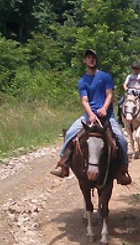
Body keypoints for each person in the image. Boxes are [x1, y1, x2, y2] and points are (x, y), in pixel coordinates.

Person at [50, 49, 131, 185]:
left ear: (96, 60)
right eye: (88, 57)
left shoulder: (105, 77)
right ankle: (63, 165)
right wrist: (91, 114)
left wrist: (104, 109)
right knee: (70, 133)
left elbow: (109, 94)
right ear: (84, 61)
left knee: (122, 140)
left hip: (107, 116)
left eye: (93, 57)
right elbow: (84, 100)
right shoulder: (82, 81)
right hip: (88, 115)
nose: (91, 60)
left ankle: (122, 170)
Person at [118, 62, 140, 126]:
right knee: (120, 103)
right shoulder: (129, 76)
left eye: (136, 69)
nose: (135, 70)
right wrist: (125, 88)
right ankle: (120, 119)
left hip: (138, 93)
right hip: (129, 93)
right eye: (134, 68)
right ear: (132, 69)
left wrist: (139, 87)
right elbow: (125, 84)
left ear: (138, 70)